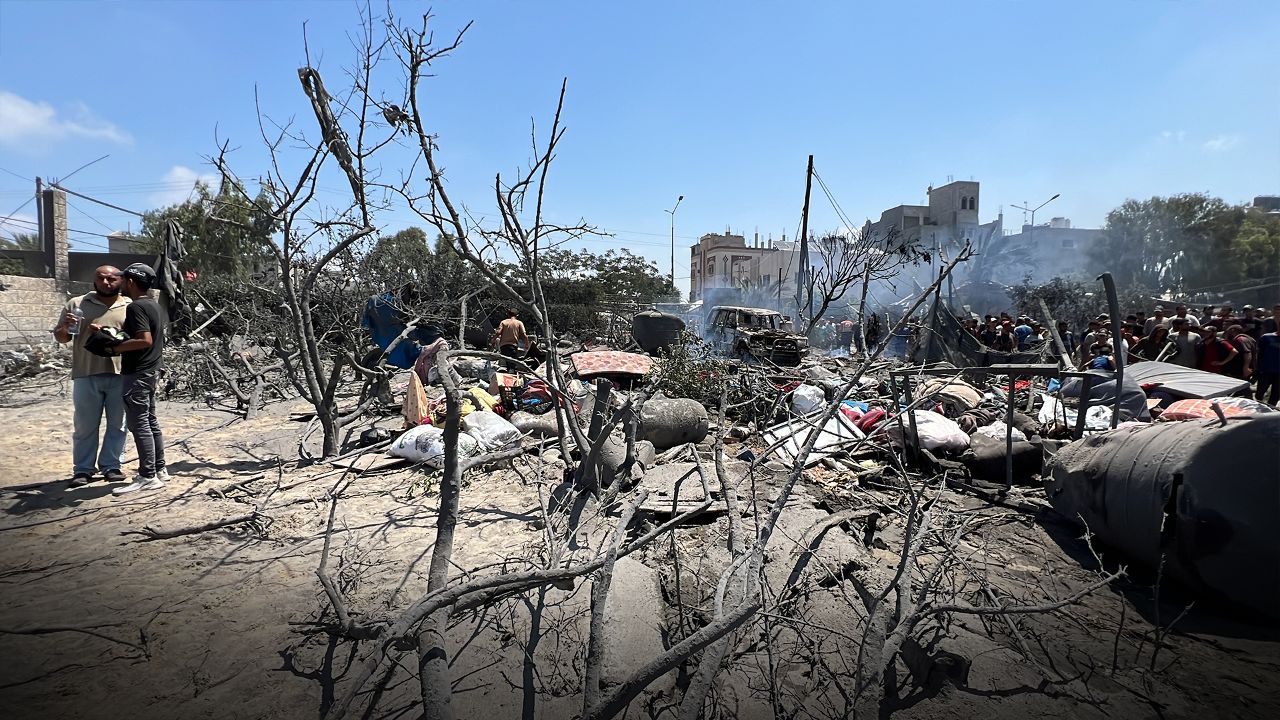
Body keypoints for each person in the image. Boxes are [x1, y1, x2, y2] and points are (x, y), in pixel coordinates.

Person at [93, 263, 170, 495]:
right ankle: (159, 469)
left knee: (140, 424)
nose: (121, 284)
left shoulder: (136, 307)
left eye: (123, 280)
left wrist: (114, 348)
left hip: (137, 372)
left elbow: (144, 340)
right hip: (150, 370)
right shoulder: (153, 305)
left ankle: (147, 476)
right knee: (150, 420)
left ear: (131, 282)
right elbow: (144, 336)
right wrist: (110, 333)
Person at [52, 265, 131, 485]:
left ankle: (112, 466)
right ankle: (83, 469)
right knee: (85, 425)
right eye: (101, 278)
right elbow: (62, 338)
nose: (106, 283)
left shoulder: (130, 306)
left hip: (120, 373)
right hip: (86, 373)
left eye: (112, 279)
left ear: (121, 281)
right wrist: (66, 328)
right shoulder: (77, 304)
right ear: (94, 280)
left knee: (118, 424)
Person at [1255, 328, 1280, 406]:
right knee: (1259, 394)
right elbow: (1258, 354)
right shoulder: (1266, 337)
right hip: (1265, 371)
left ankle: (1270, 411)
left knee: (1276, 396)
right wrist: (1257, 368)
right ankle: (1257, 410)